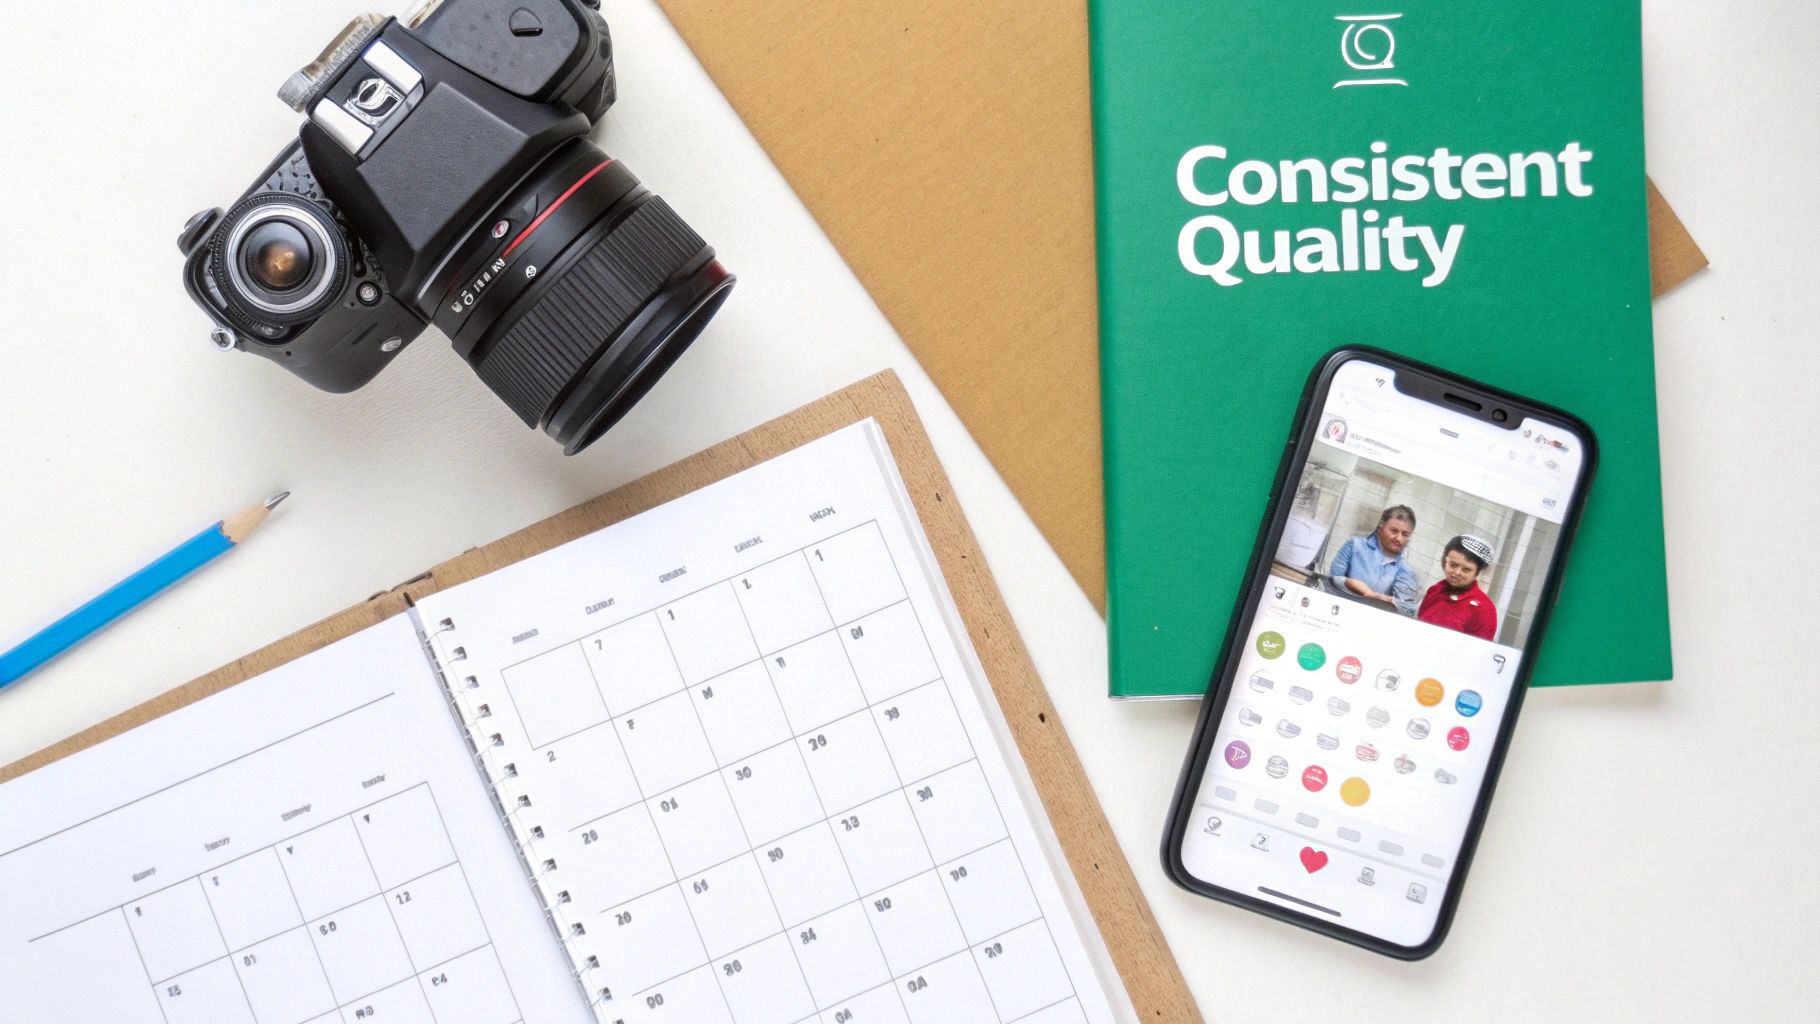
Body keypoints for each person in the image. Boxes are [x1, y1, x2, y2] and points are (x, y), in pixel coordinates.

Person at [1327, 506, 1419, 616]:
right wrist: (1352, 584)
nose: (1399, 539)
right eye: (1394, 531)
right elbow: (1331, 580)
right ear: (1381, 525)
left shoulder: (1407, 571)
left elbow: (1405, 611)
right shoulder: (1354, 545)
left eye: (1405, 534)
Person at [1417, 535, 1499, 641]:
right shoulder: (1435, 590)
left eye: (1466, 569)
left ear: (1477, 573)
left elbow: (1479, 653)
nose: (1457, 573)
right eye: (1453, 565)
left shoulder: (1484, 610)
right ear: (1444, 562)